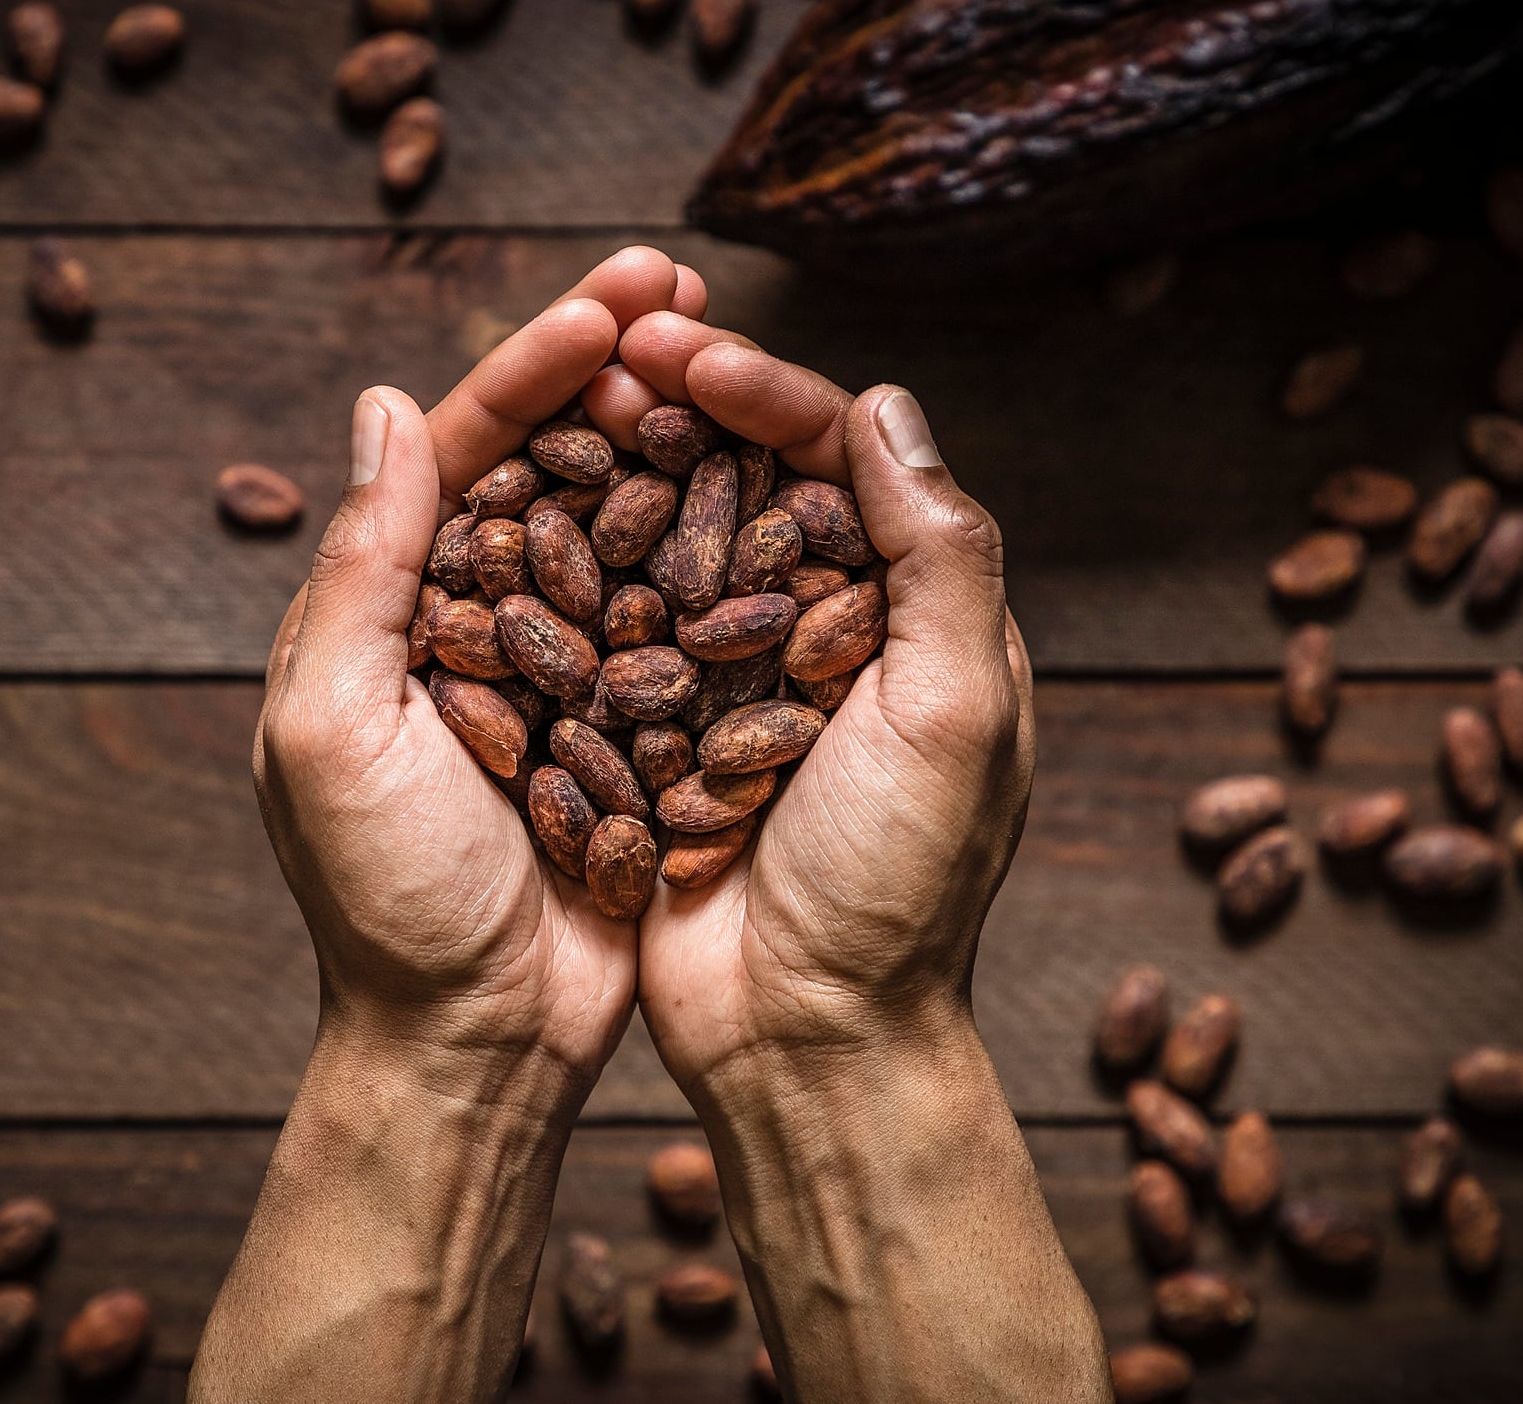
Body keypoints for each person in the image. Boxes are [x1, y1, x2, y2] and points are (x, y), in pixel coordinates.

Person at [188, 248, 1112, 1404]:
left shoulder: (634, 636)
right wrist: (844, 1032)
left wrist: (442, 1040)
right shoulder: (590, 620)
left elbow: (665, 697)